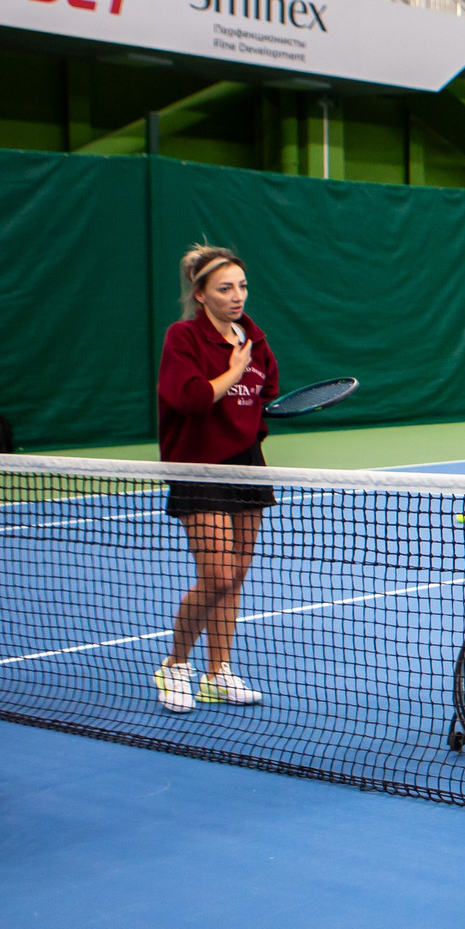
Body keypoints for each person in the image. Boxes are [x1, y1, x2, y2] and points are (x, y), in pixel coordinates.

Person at [153, 244, 279, 714]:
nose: (237, 296)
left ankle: (217, 672)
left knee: (236, 577)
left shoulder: (253, 337)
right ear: (201, 294)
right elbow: (189, 399)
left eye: (242, 286)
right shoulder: (183, 337)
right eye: (225, 288)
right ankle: (175, 666)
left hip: (246, 465)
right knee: (217, 575)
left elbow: (268, 388)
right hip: (199, 466)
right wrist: (233, 371)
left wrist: (248, 401)